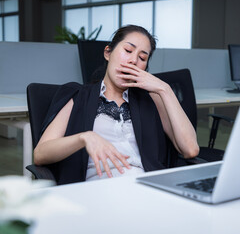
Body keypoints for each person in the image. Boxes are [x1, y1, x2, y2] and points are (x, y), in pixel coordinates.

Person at [34, 25, 199, 185]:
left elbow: (190, 149)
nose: (133, 60)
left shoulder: (152, 99)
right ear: (108, 52)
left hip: (146, 188)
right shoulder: (79, 96)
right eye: (128, 51)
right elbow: (40, 154)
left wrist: (165, 89)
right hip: (98, 189)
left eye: (142, 58)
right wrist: (84, 137)